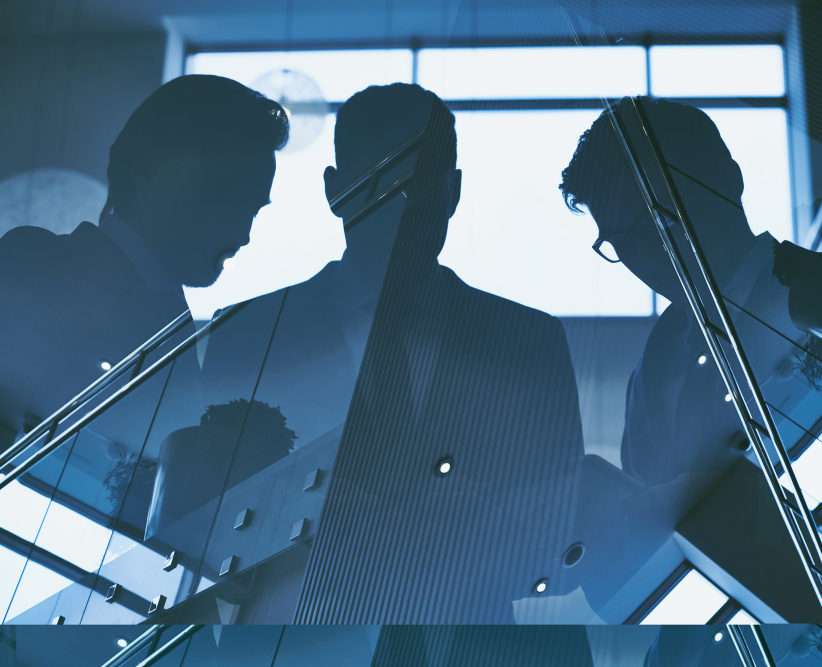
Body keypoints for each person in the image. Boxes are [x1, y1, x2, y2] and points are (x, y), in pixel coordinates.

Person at [192, 83, 586, 623]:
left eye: (419, 183)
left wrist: (492, 531)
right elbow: (204, 534)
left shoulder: (530, 343)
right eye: (382, 182)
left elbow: (563, 542)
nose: (403, 206)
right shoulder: (246, 335)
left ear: (454, 191)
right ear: (335, 192)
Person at [559, 96, 822, 502]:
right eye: (620, 242)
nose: (648, 255)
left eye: (655, 219)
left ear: (726, 179)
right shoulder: (651, 369)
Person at [0, 75, 288, 447]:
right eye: (227, 197)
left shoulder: (177, 325)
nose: (243, 233)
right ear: (146, 171)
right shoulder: (37, 265)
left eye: (253, 209)